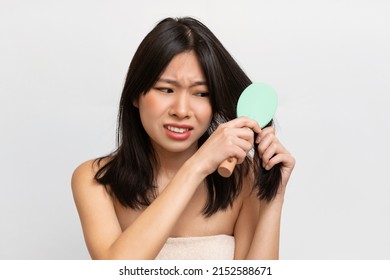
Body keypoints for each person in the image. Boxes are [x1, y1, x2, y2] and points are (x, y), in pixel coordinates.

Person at [71, 17, 295, 260]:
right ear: (136, 95)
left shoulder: (242, 178)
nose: (181, 110)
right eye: (166, 89)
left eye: (201, 93)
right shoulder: (95, 180)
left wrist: (274, 198)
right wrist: (197, 166)